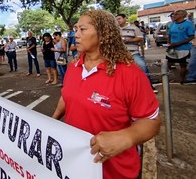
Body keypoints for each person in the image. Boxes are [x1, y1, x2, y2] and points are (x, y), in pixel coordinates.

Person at [52, 10, 161, 179]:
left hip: (116, 172)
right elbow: (67, 96)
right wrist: (52, 121)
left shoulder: (130, 74)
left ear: (102, 34)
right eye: (75, 29)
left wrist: (126, 137)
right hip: (76, 168)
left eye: (82, 29)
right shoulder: (73, 67)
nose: (76, 35)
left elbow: (151, 121)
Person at [116, 14, 156, 92]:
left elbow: (140, 38)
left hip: (133, 52)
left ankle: (149, 85)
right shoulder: (116, 29)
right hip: (120, 53)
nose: (118, 20)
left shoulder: (134, 28)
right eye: (117, 19)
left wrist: (127, 40)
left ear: (125, 18)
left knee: (142, 65)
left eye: (119, 18)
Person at [166, 10, 195, 83]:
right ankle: (167, 79)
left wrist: (178, 43)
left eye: (176, 14)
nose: (174, 16)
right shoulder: (173, 24)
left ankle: (182, 80)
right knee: (168, 63)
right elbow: (169, 34)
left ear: (182, 16)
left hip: (183, 49)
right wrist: (169, 43)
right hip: (172, 48)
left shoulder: (188, 24)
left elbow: (191, 36)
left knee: (182, 65)